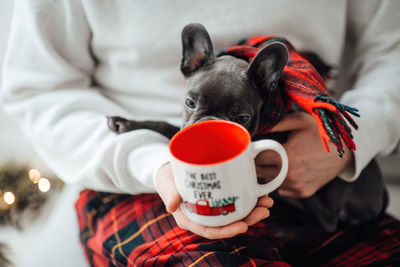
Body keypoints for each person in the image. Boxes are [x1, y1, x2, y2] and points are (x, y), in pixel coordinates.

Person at [1, 0, 400, 265]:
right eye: (195, 106)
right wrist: (149, 161)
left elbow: (392, 48)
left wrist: (348, 136)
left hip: (319, 170)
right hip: (139, 181)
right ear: (189, 61)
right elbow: (37, 88)